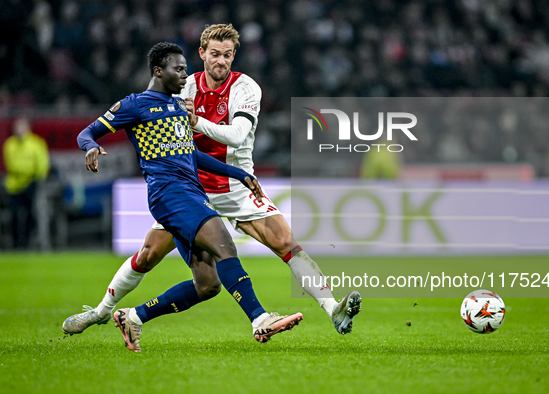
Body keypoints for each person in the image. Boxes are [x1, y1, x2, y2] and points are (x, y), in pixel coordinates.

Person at [63, 24, 360, 338]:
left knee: (287, 243)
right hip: (192, 188)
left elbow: (237, 135)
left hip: (235, 186)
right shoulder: (181, 88)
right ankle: (100, 312)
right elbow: (171, 141)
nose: (221, 61)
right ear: (202, 53)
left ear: (234, 56)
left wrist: (197, 123)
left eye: (228, 55)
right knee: (153, 256)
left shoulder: (246, 88)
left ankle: (333, 309)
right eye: (215, 54)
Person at [2, 117, 50, 249]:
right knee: (14, 215)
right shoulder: (9, 144)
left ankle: (27, 242)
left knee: (31, 214)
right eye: (17, 127)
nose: (19, 130)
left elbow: (42, 164)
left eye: (22, 126)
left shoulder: (36, 143)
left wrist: (37, 177)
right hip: (14, 185)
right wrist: (24, 171)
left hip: (31, 184)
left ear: (28, 128)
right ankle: (16, 243)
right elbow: (10, 164)